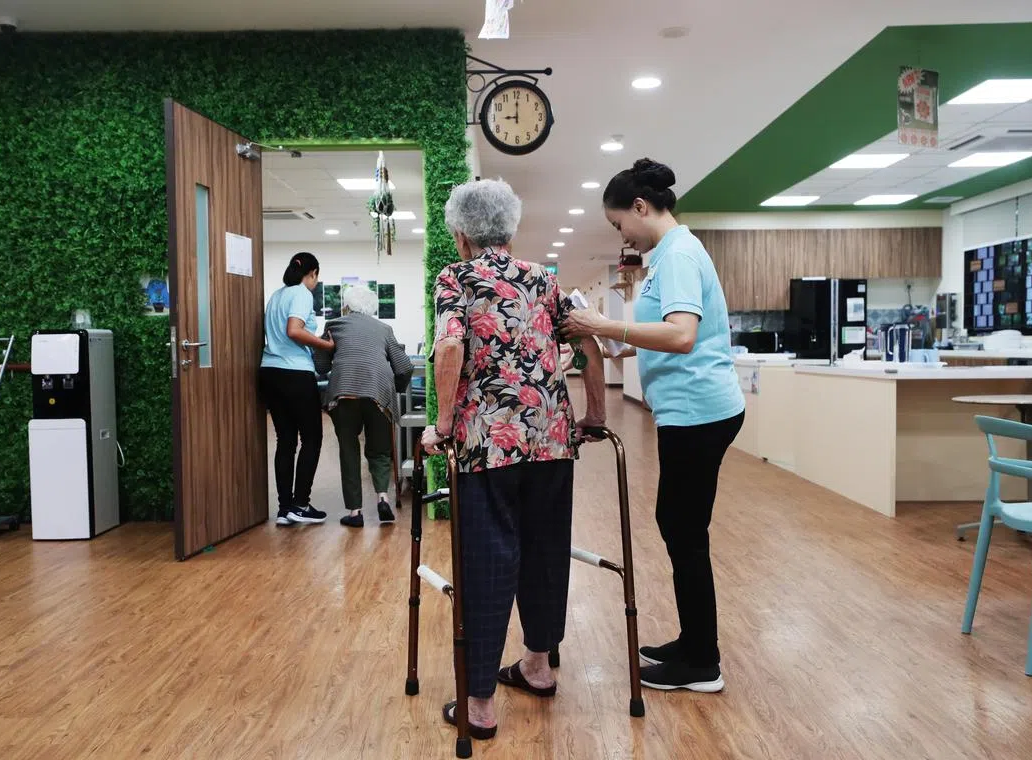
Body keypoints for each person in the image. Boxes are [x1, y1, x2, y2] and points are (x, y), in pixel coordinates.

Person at [420, 178, 608, 740]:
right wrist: (593, 415)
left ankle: (479, 702)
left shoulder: (457, 277)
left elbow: (451, 346)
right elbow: (588, 343)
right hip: (552, 439)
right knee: (546, 549)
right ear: (511, 228)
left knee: (488, 558)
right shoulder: (544, 278)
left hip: (489, 444)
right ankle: (539, 666)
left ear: (460, 234)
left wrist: (446, 424)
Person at [563, 158, 745, 694]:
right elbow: (657, 331)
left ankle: (702, 662)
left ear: (641, 208)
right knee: (679, 526)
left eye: (620, 224)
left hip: (700, 411)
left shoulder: (680, 253)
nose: (622, 235)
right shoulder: (666, 256)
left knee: (683, 530)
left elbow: (682, 335)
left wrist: (605, 323)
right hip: (688, 411)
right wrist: (608, 337)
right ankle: (693, 644)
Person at [313, 285, 413, 528]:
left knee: (348, 450)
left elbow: (322, 367)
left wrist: (323, 348)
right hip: (378, 393)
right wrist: (395, 388)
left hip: (343, 393)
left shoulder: (333, 325)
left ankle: (355, 512)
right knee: (379, 451)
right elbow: (404, 367)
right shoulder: (384, 329)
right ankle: (383, 499)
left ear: (346, 305)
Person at [260, 252, 333, 527]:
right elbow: (294, 330)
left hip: (270, 372)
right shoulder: (302, 293)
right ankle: (301, 504)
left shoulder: (277, 295)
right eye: (317, 276)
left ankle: (284, 509)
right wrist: (325, 345)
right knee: (312, 438)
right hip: (294, 373)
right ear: (312, 273)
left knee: (286, 441)